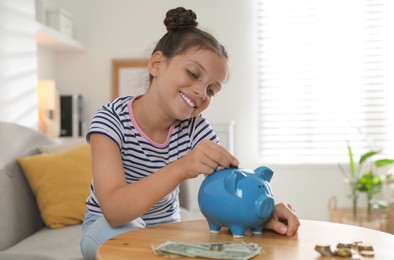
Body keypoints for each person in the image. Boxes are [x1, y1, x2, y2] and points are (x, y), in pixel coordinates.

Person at [80, 6, 300, 260]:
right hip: (106, 228)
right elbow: (114, 211)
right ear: (157, 64)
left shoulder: (196, 128)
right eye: (193, 74)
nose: (200, 92)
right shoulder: (111, 120)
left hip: (164, 232)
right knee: (129, 239)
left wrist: (263, 211)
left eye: (211, 90)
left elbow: (233, 186)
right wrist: (181, 168)